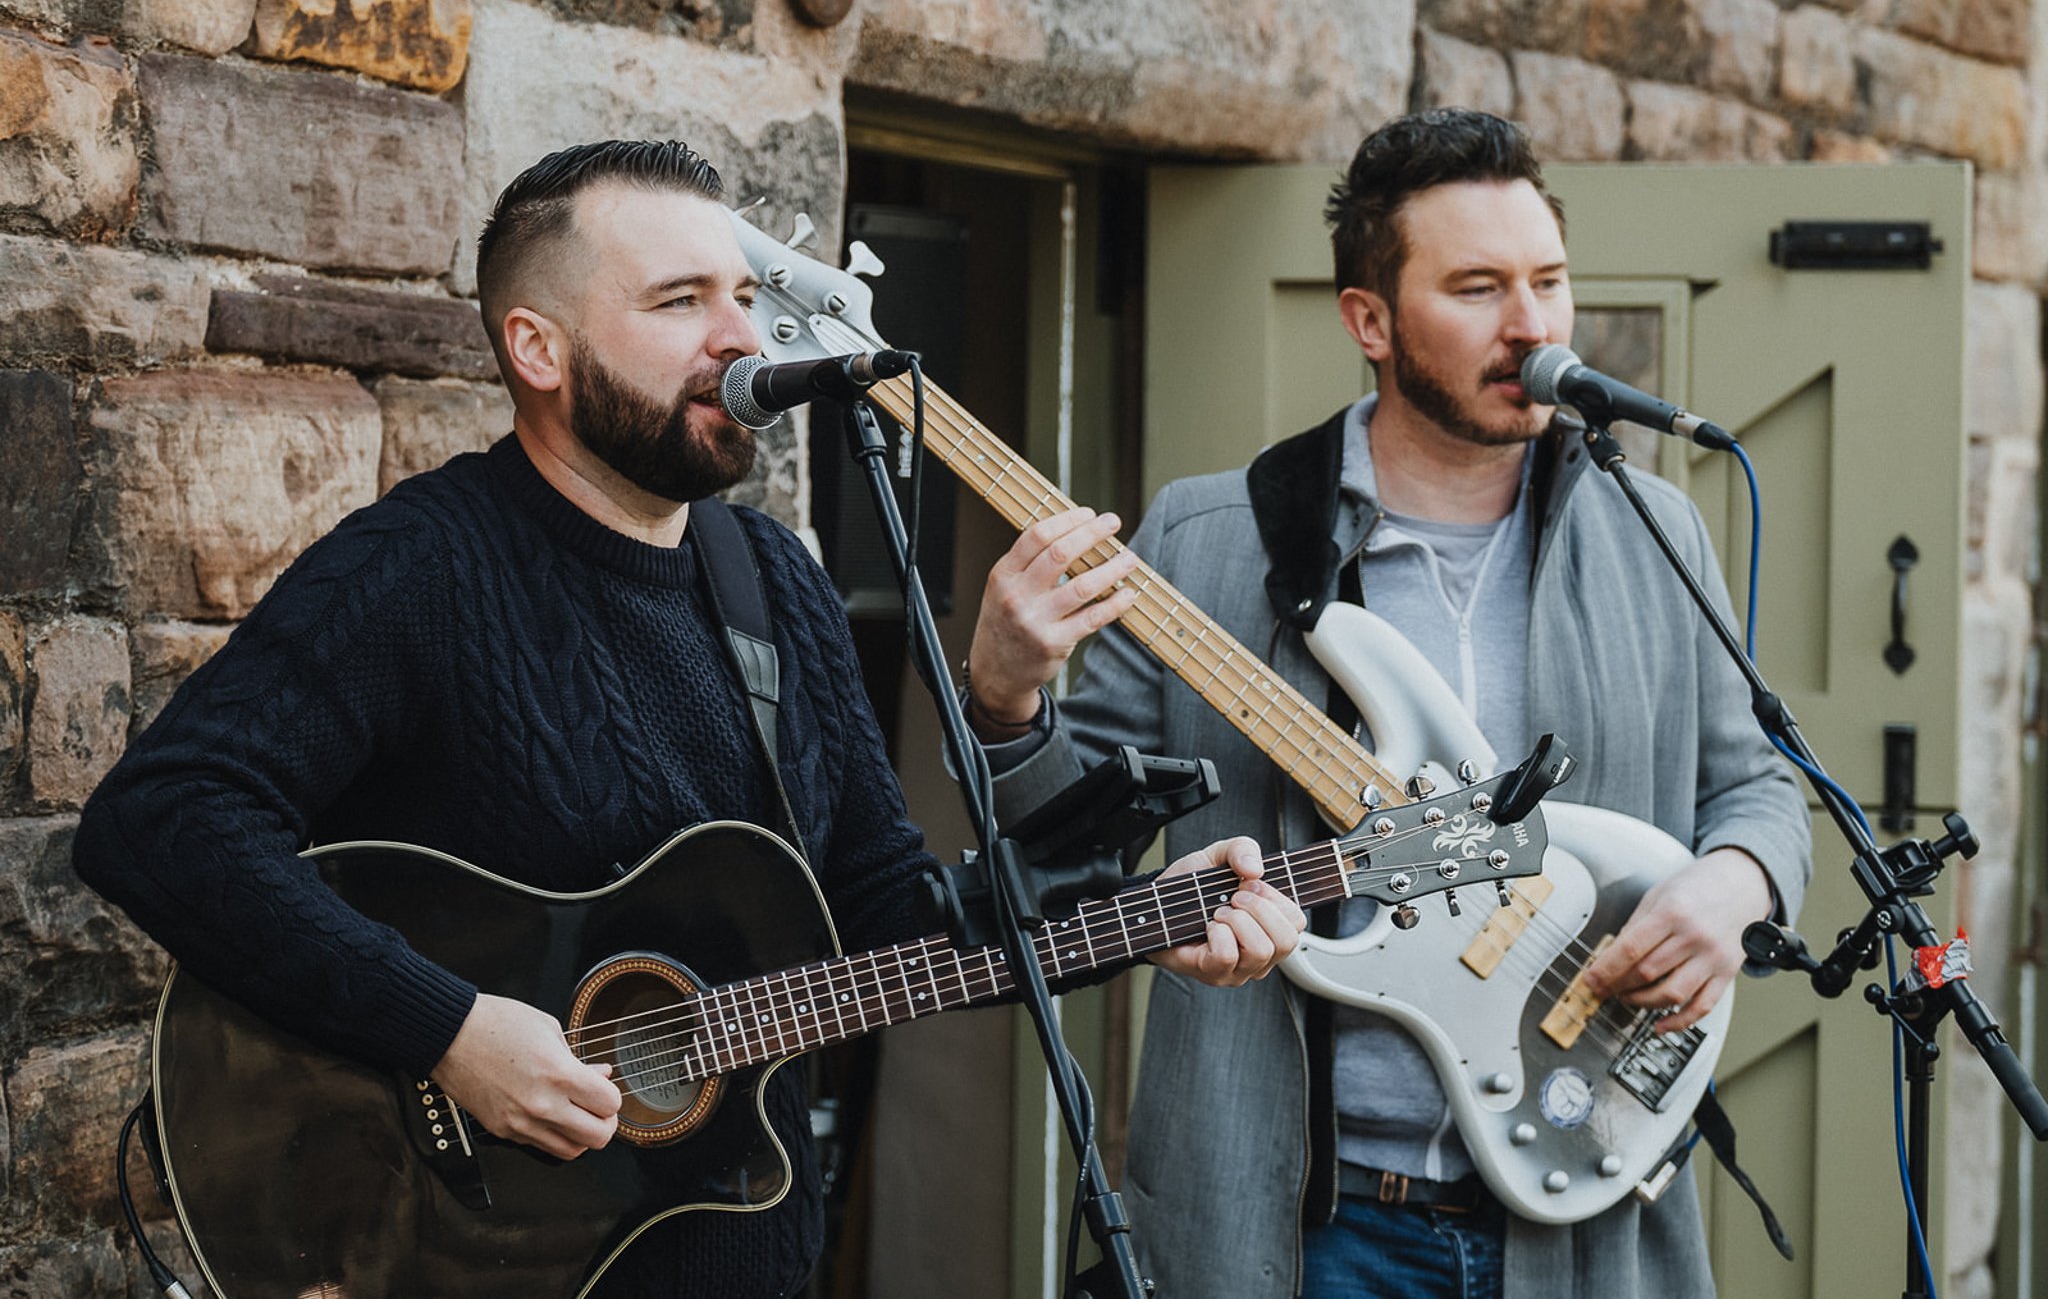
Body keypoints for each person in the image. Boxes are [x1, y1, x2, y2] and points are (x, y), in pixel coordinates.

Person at [72, 139, 1303, 1298]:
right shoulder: (420, 570)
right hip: (463, 1253)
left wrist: (1126, 913)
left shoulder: (777, 582)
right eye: (680, 303)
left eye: (741, 294)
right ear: (538, 349)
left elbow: (883, 918)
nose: (741, 335)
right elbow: (160, 821)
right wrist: (446, 1027)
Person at [960, 109, 1813, 1299]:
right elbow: (1056, 863)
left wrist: (1737, 884)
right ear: (1369, 319)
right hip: (1302, 1224)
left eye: (1548, 281)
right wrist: (1002, 697)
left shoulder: (1653, 530)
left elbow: (1762, 783)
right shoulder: (1209, 540)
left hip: (1578, 1205)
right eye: (1476, 286)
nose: (1531, 323)